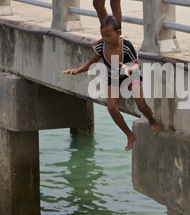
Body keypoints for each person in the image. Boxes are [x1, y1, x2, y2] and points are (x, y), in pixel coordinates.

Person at [62, 16, 161, 151]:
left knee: (141, 104)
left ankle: (152, 121)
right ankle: (130, 135)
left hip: (131, 75)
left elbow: (138, 65)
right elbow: (91, 63)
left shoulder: (126, 46)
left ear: (118, 33)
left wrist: (129, 68)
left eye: (108, 35)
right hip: (114, 77)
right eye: (103, 35)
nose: (105, 39)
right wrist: (77, 70)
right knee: (111, 108)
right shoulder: (101, 47)